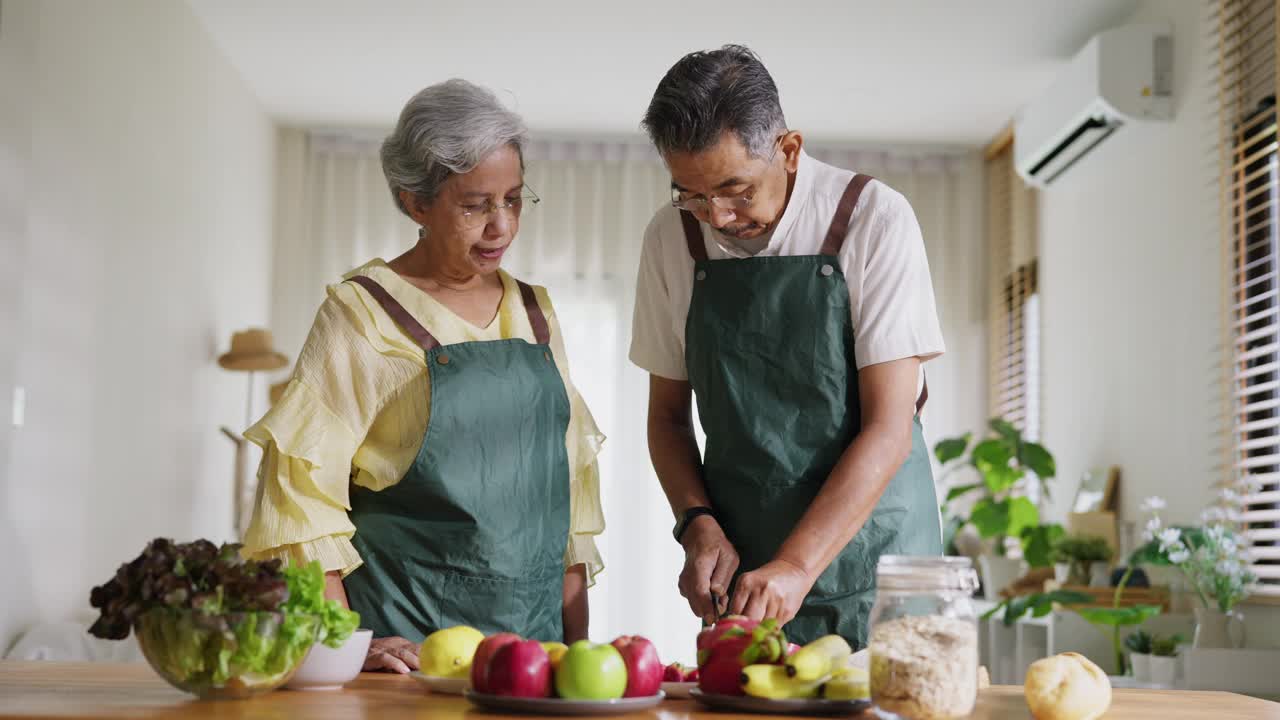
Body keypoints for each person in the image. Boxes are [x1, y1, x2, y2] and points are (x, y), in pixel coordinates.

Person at [242, 79, 605, 672]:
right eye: (475, 205)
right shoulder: (361, 314)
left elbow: (567, 502)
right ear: (414, 202)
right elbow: (299, 502)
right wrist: (347, 647)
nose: (502, 226)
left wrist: (580, 654)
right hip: (411, 660)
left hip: (532, 659)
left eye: (513, 199)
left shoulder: (535, 312)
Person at [631, 45, 944, 648]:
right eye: (691, 194)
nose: (716, 217)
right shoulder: (670, 237)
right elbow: (666, 418)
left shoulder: (873, 218)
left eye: (736, 189)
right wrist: (697, 524)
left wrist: (799, 566)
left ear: (789, 149)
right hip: (747, 564)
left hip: (877, 558)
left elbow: (889, 427)